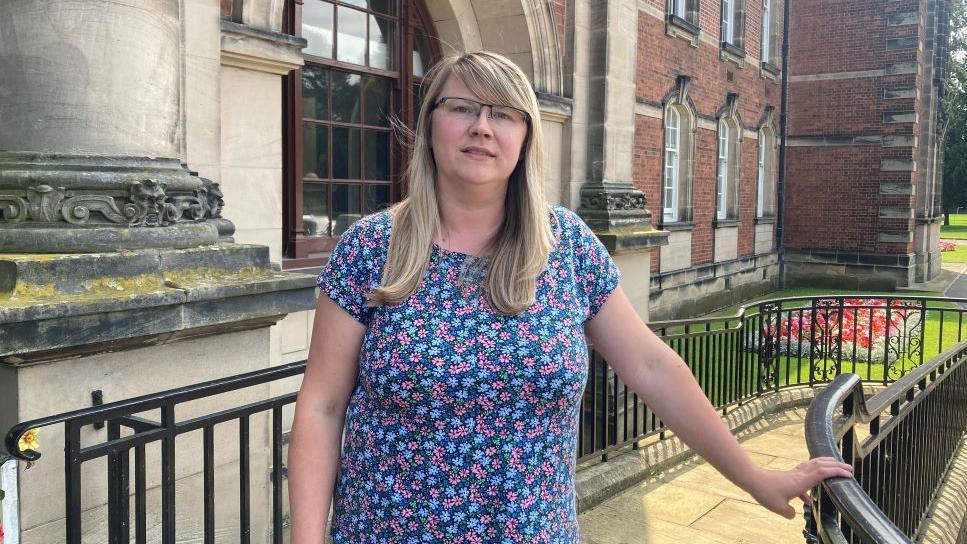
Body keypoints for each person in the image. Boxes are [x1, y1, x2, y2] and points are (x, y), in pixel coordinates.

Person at [287, 50, 853, 544]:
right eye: (462, 108)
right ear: (431, 123)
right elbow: (321, 408)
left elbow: (653, 366)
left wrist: (754, 477)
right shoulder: (369, 248)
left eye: (504, 114)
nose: (482, 127)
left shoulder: (568, 248)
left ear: (526, 136)